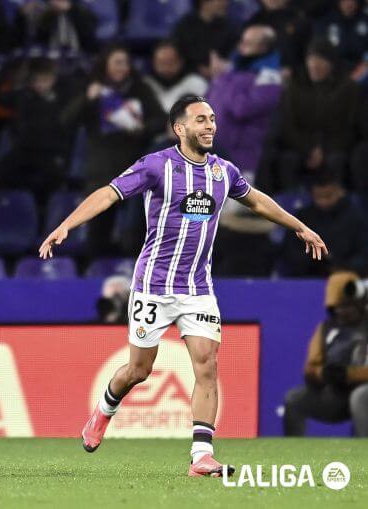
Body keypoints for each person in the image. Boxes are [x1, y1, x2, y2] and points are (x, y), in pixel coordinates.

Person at [39, 95, 328, 476]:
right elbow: (109, 193)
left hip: (197, 289)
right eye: (200, 120)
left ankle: (201, 457)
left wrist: (299, 226)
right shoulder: (156, 166)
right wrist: (67, 225)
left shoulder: (224, 172)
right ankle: (103, 412)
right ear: (180, 128)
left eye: (212, 120)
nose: (210, 126)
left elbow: (257, 201)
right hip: (153, 286)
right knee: (139, 370)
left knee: (207, 366)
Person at [62, 44, 165, 257]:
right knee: (98, 230)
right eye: (117, 63)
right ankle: (97, 275)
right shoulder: (92, 89)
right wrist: (87, 99)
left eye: (126, 63)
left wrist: (143, 127)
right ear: (105, 65)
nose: (122, 67)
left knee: (136, 229)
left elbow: (161, 120)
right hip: (100, 171)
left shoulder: (140, 89)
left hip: (135, 169)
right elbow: (66, 121)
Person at [284, 272, 368, 437]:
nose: (341, 312)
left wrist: (349, 375)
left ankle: (364, 453)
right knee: (294, 399)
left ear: (359, 303)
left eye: (346, 306)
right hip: (336, 393)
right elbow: (311, 366)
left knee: (359, 398)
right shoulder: (326, 328)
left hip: (362, 390)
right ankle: (292, 454)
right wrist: (322, 374)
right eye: (336, 308)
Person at [272, 39, 361, 191]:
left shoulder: (348, 88)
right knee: (287, 159)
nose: (315, 66)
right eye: (311, 60)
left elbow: (351, 127)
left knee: (337, 160)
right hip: (301, 146)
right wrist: (308, 150)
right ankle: (288, 206)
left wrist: (324, 150)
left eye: (321, 61)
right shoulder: (295, 86)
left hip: (336, 147)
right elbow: (288, 125)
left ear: (332, 63)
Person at [0, 57, 76, 204]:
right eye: (37, 80)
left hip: (50, 153)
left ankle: (46, 221)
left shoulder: (63, 97)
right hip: (23, 151)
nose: (41, 85)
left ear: (53, 79)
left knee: (54, 184)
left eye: (45, 80)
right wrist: (4, 71)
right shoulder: (22, 96)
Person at [206, 25, 283, 181]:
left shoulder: (268, 77)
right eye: (242, 41)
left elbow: (242, 109)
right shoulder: (232, 72)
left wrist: (225, 78)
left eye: (247, 43)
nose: (241, 46)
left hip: (243, 158)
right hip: (214, 153)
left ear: (263, 47)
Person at [280, 173, 368, 277]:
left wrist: (341, 266)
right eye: (318, 197)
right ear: (312, 194)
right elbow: (290, 252)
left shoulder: (356, 217)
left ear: (339, 192)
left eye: (328, 196)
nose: (323, 201)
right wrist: (315, 260)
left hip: (347, 277)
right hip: (308, 277)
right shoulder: (302, 217)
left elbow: (363, 253)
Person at [170, 0, 238, 78]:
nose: (225, 3)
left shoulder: (229, 27)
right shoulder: (184, 27)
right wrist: (198, 69)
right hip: (188, 78)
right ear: (203, 2)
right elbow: (177, 55)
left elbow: (234, 56)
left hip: (223, 77)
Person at [143, 41, 209, 116]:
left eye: (171, 62)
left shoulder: (196, 83)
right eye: (161, 63)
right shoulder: (145, 84)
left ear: (181, 61)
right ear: (153, 63)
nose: (166, 68)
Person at [11, 0, 98, 55]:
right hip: (45, 57)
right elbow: (24, 39)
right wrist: (22, 15)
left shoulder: (83, 6)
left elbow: (90, 38)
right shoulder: (39, 6)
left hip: (78, 57)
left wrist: (70, 9)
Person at [245, 0, 311, 71]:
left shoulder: (301, 21)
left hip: (290, 74)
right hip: (252, 73)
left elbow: (306, 55)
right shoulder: (253, 22)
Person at [312, 0, 368, 75]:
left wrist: (365, 65)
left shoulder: (365, 20)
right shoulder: (326, 21)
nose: (349, 3)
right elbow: (318, 49)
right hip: (331, 71)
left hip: (361, 71)